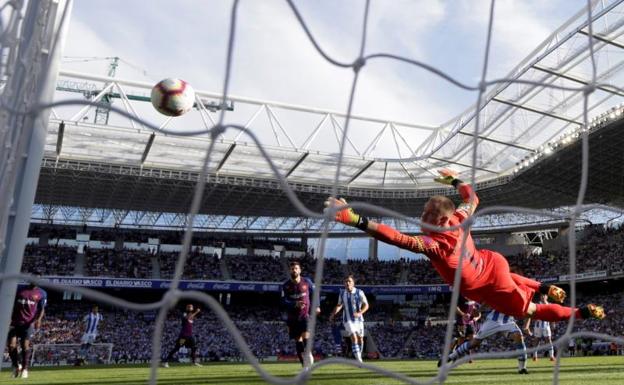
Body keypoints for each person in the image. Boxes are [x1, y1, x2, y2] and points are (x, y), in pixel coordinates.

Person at [326, 168, 605, 323]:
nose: (421, 218)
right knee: (508, 280)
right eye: (424, 212)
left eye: (427, 215)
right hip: (492, 263)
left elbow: (396, 238)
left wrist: (356, 219)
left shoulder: (436, 244)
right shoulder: (459, 218)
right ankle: (545, 287)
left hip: (485, 284)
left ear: (442, 219)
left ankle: (580, 313)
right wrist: (455, 180)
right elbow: (473, 198)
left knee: (530, 312)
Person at [440, 308, 530, 374]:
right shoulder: (502, 288)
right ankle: (451, 356)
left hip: (508, 321)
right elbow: (487, 300)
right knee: (474, 343)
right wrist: (479, 309)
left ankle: (522, 368)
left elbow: (529, 310)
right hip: (492, 321)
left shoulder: (520, 291)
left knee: (519, 336)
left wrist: (526, 325)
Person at [281, 261, 320, 368]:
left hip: (305, 315)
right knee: (298, 340)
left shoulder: (307, 282)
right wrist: (295, 303)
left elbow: (314, 294)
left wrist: (317, 306)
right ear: (290, 270)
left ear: (300, 270)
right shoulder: (285, 286)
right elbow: (283, 301)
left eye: (296, 268)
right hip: (292, 317)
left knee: (306, 336)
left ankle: (308, 353)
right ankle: (304, 366)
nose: (294, 270)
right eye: (292, 268)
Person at [8, 281, 47, 378]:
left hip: (28, 323)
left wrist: (38, 320)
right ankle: (16, 366)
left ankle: (25, 369)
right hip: (14, 321)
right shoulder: (20, 289)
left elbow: (42, 309)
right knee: (11, 345)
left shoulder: (42, 293)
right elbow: (10, 302)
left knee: (25, 346)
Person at [329, 275, 369, 363]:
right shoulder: (342, 293)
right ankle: (359, 360)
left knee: (360, 339)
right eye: (346, 281)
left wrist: (360, 313)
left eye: (349, 281)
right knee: (354, 337)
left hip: (359, 320)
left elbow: (366, 305)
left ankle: (359, 355)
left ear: (353, 283)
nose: (347, 283)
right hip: (347, 320)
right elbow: (339, 305)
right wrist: (333, 314)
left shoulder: (360, 292)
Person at [524, 294, 555, 361]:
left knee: (548, 340)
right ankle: (535, 356)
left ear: (547, 297)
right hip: (538, 325)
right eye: (541, 296)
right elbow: (531, 313)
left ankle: (551, 356)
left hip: (546, 325)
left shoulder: (550, 305)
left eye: (544, 295)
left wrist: (553, 324)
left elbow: (553, 315)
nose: (542, 297)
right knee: (536, 340)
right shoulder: (536, 304)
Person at [452, 297, 480, 362]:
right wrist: (463, 314)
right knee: (461, 342)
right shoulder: (460, 297)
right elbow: (455, 308)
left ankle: (469, 357)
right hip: (461, 323)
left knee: (472, 341)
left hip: (470, 323)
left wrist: (477, 318)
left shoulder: (474, 297)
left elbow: (478, 312)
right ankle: (454, 357)